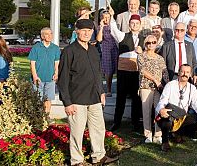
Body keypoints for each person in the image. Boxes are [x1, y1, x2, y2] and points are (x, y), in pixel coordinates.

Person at [58, 19, 117, 165]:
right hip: (76, 100)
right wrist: (67, 102)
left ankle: (98, 156)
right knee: (77, 133)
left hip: (95, 98)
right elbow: (62, 78)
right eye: (83, 30)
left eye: (89, 31)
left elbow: (97, 74)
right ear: (76, 31)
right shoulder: (68, 51)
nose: (86, 33)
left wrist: (102, 91)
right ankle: (77, 160)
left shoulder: (93, 50)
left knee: (98, 129)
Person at [155, 64, 197, 152]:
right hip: (170, 115)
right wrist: (161, 110)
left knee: (195, 121)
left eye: (187, 72)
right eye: (182, 71)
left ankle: (177, 134)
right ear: (178, 73)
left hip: (182, 117)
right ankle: (165, 142)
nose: (184, 74)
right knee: (165, 121)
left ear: (190, 74)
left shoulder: (192, 88)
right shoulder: (170, 85)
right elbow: (162, 101)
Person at [108, 9, 144, 132]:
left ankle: (135, 123)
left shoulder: (144, 39)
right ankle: (116, 122)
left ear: (140, 25)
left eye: (137, 23)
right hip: (123, 72)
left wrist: (142, 52)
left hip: (136, 72)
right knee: (121, 98)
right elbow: (113, 29)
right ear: (129, 24)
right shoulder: (123, 35)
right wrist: (112, 16)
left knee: (136, 98)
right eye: (132, 23)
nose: (134, 25)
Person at [137, 34, 167, 144]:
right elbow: (143, 71)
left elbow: (164, 72)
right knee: (146, 111)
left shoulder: (160, 58)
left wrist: (164, 85)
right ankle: (148, 135)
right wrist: (156, 80)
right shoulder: (141, 56)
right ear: (145, 44)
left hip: (158, 88)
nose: (151, 45)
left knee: (158, 110)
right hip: (146, 87)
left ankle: (158, 134)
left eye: (153, 42)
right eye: (148, 43)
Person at [29, 27, 61, 116]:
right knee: (38, 99)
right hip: (38, 78)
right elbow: (32, 63)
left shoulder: (55, 48)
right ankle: (38, 117)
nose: (50, 36)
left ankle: (46, 118)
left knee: (48, 99)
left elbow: (56, 62)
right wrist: (35, 76)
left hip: (50, 78)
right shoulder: (36, 48)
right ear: (42, 36)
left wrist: (56, 73)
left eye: (51, 33)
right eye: (47, 34)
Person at [96, 10, 118, 96]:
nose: (106, 19)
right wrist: (101, 27)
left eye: (108, 17)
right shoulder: (100, 27)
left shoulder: (114, 25)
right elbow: (99, 39)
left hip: (116, 48)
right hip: (106, 49)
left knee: (118, 69)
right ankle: (108, 90)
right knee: (108, 71)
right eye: (104, 17)